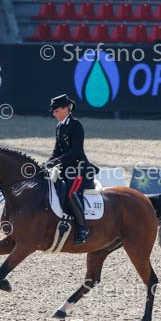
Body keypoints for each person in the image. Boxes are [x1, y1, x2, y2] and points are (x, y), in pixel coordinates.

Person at [45, 94, 98, 245]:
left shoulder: (76, 126)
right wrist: (48, 162)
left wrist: (57, 161)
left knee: (71, 193)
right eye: (53, 111)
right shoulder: (59, 126)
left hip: (79, 169)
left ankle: (82, 229)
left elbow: (76, 151)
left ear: (65, 109)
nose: (54, 114)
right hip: (65, 168)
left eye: (56, 111)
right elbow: (57, 150)